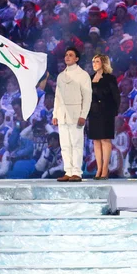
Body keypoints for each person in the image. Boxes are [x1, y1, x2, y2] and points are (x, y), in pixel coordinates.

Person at [53, 47, 92, 182]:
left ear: (76, 59)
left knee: (76, 144)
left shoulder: (83, 75)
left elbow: (87, 97)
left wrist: (83, 115)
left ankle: (77, 172)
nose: (67, 57)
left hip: (76, 114)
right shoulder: (60, 76)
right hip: (62, 114)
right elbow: (57, 97)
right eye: (66, 55)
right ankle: (68, 171)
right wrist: (55, 115)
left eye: (71, 55)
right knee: (64, 145)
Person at [88, 54, 121, 180]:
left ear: (103, 63)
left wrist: (113, 111)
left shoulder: (110, 78)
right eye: (93, 61)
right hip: (93, 113)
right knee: (96, 141)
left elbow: (116, 97)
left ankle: (105, 169)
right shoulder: (90, 78)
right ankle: (99, 168)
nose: (94, 64)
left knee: (105, 140)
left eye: (97, 61)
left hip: (106, 112)